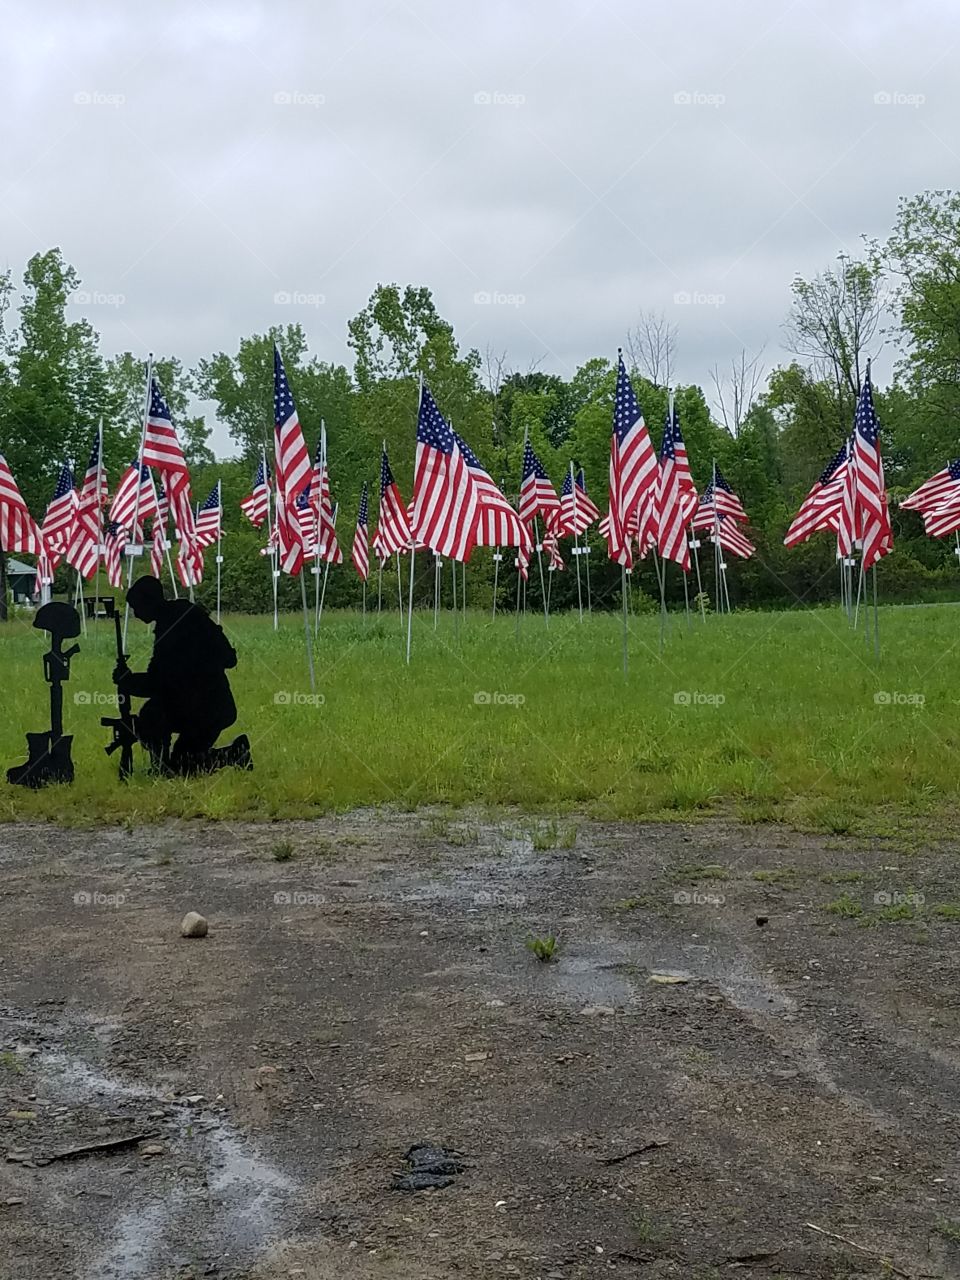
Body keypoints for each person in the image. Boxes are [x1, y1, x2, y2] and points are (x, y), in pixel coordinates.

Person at [114, 576, 251, 775]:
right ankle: (230, 754)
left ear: (149, 602)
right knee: (179, 758)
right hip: (207, 705)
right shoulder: (184, 617)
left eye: (137, 607)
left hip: (206, 709)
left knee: (155, 720)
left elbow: (159, 682)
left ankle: (166, 765)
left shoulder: (172, 627)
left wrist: (128, 681)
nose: (135, 614)